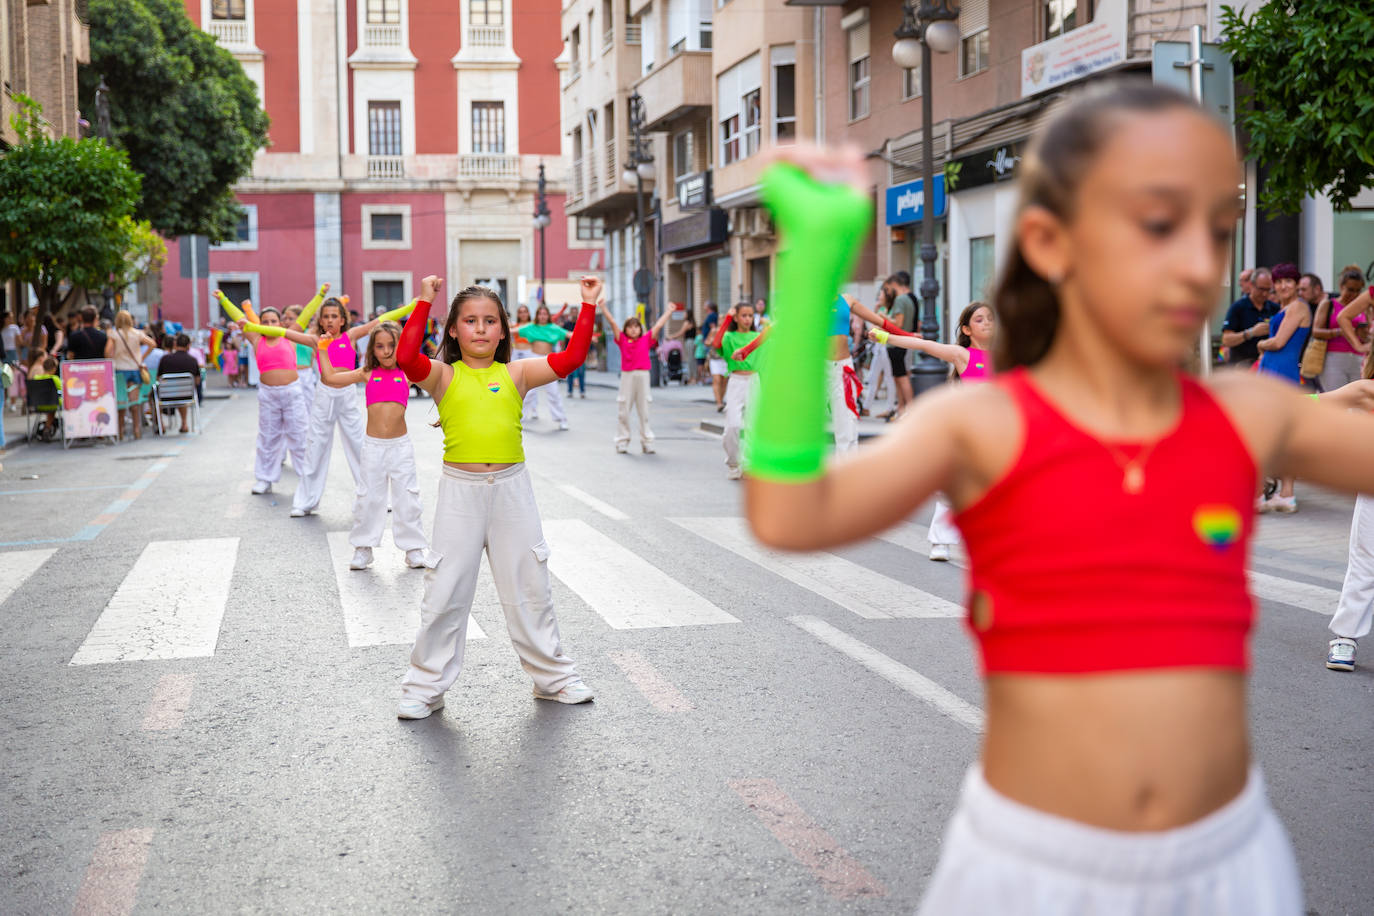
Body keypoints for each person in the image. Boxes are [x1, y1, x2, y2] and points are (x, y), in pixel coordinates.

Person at [738, 85, 1374, 913]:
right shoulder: (982, 423)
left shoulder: (1244, 414)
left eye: (1218, 228)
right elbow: (789, 513)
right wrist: (809, 273)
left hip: (1230, 869)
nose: (1200, 263)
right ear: (1048, 240)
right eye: (1158, 223)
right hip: (1031, 873)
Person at [392, 275, 598, 719]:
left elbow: (572, 358)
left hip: (512, 491)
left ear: (504, 330)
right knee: (444, 590)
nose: (481, 328)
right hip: (460, 494)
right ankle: (425, 687)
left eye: (490, 321)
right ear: (453, 330)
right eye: (470, 321)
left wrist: (587, 305)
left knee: (531, 586)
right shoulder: (444, 375)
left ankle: (554, 679)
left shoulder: (517, 373)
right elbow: (406, 357)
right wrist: (424, 300)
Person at [870, 301, 996, 561]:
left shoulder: (1004, 356)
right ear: (967, 329)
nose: (987, 323)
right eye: (979, 319)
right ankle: (940, 541)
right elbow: (924, 345)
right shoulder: (963, 355)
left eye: (990, 318)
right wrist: (886, 337)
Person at [316, 320, 428, 571]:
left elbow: (441, 381)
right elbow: (330, 378)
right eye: (380, 346)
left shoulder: (408, 373)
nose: (386, 351)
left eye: (392, 345)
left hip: (400, 447)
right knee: (368, 497)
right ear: (372, 349)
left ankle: (413, 549)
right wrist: (322, 350)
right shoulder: (367, 373)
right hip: (373, 447)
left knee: (407, 496)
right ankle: (363, 548)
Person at [287, 294, 411, 518]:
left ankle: (374, 498)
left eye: (334, 316)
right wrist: (250, 325)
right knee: (315, 447)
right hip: (324, 395)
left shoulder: (351, 335)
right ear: (321, 320)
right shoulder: (316, 340)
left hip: (347, 394)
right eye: (326, 316)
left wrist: (413, 304)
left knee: (359, 446)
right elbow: (284, 333)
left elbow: (382, 319)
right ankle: (305, 501)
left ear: (342, 319)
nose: (330, 320)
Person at [1255, 262, 1311, 514]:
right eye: (1278, 282)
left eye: (1288, 280)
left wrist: (1261, 344)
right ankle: (1284, 494)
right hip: (1277, 370)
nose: (1282, 285)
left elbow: (1278, 343)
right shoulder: (1288, 307)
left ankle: (1265, 493)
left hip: (1281, 372)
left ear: (1297, 283)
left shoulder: (1297, 306)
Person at [235, 309, 310, 496]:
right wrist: (222, 299)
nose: (270, 325)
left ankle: (307, 480)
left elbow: (305, 316)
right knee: (268, 437)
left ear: (280, 323)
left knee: (299, 436)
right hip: (268, 394)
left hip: (292, 392)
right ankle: (264, 479)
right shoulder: (256, 340)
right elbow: (239, 318)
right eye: (265, 321)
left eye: (273, 321)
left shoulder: (289, 336)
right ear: (259, 325)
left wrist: (322, 295)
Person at [602, 307, 671, 454]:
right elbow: (612, 322)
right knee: (623, 410)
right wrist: (603, 307)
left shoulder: (645, 340)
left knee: (644, 410)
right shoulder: (622, 340)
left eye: (636, 327)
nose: (633, 330)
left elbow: (658, 325)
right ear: (625, 329)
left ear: (640, 329)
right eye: (630, 327)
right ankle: (622, 440)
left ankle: (647, 441)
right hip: (627, 376)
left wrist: (669, 311)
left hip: (643, 375)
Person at [710, 302, 763, 479]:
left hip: (754, 381)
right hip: (736, 381)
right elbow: (716, 343)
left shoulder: (757, 336)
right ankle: (733, 463)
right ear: (736, 318)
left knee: (753, 426)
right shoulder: (730, 337)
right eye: (743, 315)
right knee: (733, 425)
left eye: (750, 315)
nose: (747, 319)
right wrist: (726, 319)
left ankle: (748, 465)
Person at [515, 304, 571, 430]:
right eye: (540, 314)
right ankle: (519, 418)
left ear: (548, 315)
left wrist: (587, 336)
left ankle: (561, 419)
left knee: (553, 391)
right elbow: (514, 331)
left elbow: (569, 334)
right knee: (528, 393)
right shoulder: (531, 327)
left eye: (545, 314)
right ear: (537, 316)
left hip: (549, 361)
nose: (542, 316)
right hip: (533, 360)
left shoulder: (553, 328)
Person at [105, 309, 156, 439]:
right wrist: (141, 358)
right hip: (134, 369)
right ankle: (136, 430)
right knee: (134, 403)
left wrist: (114, 357)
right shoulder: (137, 333)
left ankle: (121, 431)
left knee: (121, 403)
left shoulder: (114, 334)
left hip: (119, 370)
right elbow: (152, 344)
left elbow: (107, 352)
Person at [1220, 267, 1277, 368]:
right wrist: (1251, 333)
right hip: (1241, 365)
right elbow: (1226, 339)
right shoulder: (1238, 307)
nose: (1264, 294)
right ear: (1251, 285)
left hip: (1266, 365)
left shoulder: (1275, 308)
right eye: (1261, 289)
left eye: (1268, 290)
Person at [884, 272, 917, 415]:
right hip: (902, 342)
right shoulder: (909, 299)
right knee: (899, 377)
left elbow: (898, 323)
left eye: (888, 288)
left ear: (894, 285)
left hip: (897, 343)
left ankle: (910, 408)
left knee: (901, 377)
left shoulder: (900, 300)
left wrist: (883, 317)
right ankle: (902, 409)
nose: (887, 292)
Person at [157, 334, 201, 433]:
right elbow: (197, 381)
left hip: (166, 395)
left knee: (154, 395)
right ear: (188, 345)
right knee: (182, 393)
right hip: (187, 395)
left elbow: (158, 378)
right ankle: (184, 423)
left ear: (175, 345)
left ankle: (160, 424)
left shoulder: (165, 359)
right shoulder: (193, 360)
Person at [559, 304, 587, 398]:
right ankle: (570, 391)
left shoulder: (581, 324)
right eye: (573, 312)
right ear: (570, 313)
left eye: (576, 312)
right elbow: (563, 338)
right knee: (570, 372)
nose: (574, 314)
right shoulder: (566, 325)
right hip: (569, 351)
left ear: (578, 313)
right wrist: (562, 351)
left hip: (580, 352)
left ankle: (582, 391)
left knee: (581, 372)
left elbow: (585, 338)